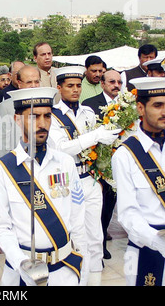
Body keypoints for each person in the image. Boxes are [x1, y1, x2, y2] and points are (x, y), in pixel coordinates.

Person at [0, 87, 87, 286]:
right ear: (17, 120)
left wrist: (82, 264)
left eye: (47, 116)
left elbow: (77, 217)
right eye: (34, 117)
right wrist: (22, 262)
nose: (42, 124)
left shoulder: (65, 162)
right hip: (23, 271)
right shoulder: (1, 169)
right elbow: (0, 227)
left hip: (64, 269)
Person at [112, 76, 165, 286]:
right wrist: (158, 241)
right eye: (157, 105)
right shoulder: (126, 155)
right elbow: (128, 214)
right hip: (147, 249)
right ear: (140, 108)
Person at [49, 66, 121, 285]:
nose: (75, 90)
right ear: (59, 87)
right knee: (75, 234)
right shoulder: (53, 116)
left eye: (79, 85)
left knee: (95, 235)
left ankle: (94, 279)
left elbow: (99, 146)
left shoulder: (88, 112)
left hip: (90, 178)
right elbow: (61, 148)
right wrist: (94, 137)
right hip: (66, 182)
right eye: (70, 86)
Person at [82, 69, 123, 260]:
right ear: (103, 84)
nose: (116, 85)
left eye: (119, 82)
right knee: (98, 206)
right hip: (97, 162)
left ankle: (103, 238)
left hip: (118, 162)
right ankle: (95, 244)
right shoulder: (90, 105)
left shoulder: (127, 104)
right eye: (112, 82)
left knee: (110, 206)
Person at [0, 65, 41, 157]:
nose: (33, 86)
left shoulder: (48, 105)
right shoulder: (6, 107)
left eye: (36, 82)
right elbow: (4, 142)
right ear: (19, 83)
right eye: (29, 82)